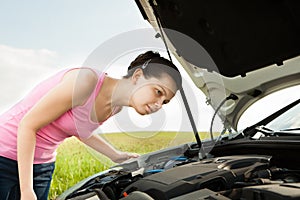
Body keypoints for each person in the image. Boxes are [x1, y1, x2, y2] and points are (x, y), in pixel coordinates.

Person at [0, 50, 182, 200]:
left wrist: (116, 155)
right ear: (138, 75)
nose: (158, 104)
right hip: (6, 152)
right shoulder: (86, 81)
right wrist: (26, 190)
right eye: (158, 92)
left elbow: (80, 130)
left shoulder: (115, 108)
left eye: (165, 101)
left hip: (42, 164)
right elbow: (28, 125)